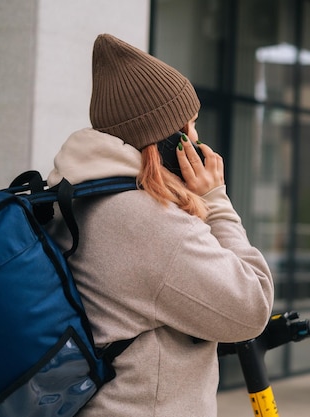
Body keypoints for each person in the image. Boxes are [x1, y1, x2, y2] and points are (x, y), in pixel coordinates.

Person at [46, 33, 274, 416]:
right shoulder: (152, 225)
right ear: (170, 142)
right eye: (191, 126)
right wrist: (216, 200)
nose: (198, 139)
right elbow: (251, 310)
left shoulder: (78, 199)